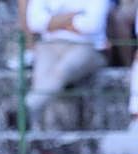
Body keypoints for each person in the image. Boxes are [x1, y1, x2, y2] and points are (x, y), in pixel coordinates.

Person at [25, 0, 108, 128]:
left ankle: (24, 109)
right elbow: (34, 22)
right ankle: (35, 134)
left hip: (86, 46)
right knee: (41, 80)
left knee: (60, 72)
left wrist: (53, 22)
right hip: (49, 45)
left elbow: (92, 25)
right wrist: (72, 17)